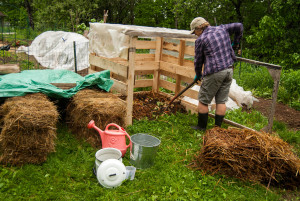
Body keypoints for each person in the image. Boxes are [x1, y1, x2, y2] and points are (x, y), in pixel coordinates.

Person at [190, 17, 243, 131]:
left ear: (199, 28)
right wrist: (236, 44)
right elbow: (239, 26)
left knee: (203, 101)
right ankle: (217, 129)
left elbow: (198, 61)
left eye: (195, 32)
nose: (195, 35)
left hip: (215, 72)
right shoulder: (222, 29)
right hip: (229, 69)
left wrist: (198, 74)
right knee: (221, 100)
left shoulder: (201, 40)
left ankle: (201, 128)